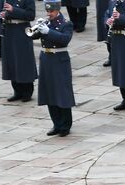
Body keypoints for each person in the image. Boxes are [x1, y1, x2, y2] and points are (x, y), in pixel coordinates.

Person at [33, 1, 74, 136]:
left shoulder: (66, 23)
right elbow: (33, 36)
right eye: (47, 11)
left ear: (57, 11)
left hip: (59, 59)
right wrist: (37, 28)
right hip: (46, 59)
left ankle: (65, 125)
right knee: (49, 92)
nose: (48, 14)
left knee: (62, 93)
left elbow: (64, 39)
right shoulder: (47, 23)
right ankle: (56, 124)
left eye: (51, 11)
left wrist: (48, 31)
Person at [0, 0, 36, 100]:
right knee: (11, 61)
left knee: (23, 61)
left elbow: (31, 15)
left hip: (21, 30)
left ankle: (27, 92)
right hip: (9, 30)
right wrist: (2, 15)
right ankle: (17, 91)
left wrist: (13, 10)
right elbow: (2, 11)